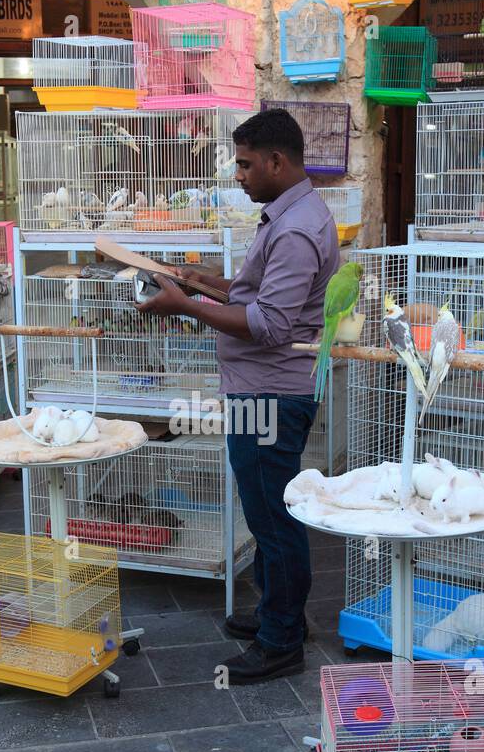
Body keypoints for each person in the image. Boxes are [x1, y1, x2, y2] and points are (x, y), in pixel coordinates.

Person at [135, 108, 339, 684]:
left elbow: (272, 324)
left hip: (270, 394)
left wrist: (185, 306)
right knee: (268, 509)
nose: (239, 175)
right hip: (262, 389)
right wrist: (205, 281)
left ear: (278, 161)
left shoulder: (297, 229)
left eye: (247, 165)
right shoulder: (287, 214)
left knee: (273, 517)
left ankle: (282, 641)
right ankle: (281, 614)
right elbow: (258, 295)